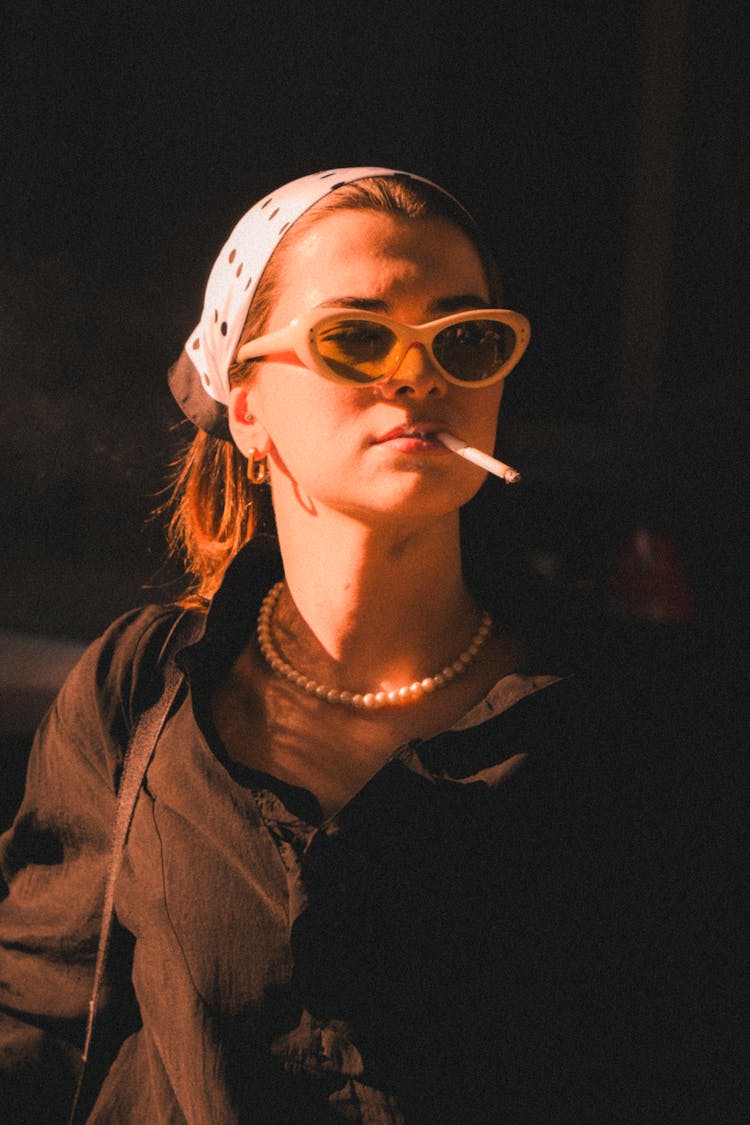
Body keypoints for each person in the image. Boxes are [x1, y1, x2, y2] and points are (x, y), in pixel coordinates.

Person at [0, 168, 717, 1123]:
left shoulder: (638, 716)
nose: (419, 374)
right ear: (246, 407)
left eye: (465, 339)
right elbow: (38, 1026)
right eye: (357, 336)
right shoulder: (138, 692)